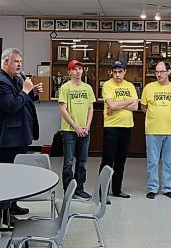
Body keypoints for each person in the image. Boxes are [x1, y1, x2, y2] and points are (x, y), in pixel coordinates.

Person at [0, 48, 43, 215]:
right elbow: (12, 106)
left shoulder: (14, 79)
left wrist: (32, 93)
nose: (19, 64)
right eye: (16, 61)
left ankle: (12, 205)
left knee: (15, 175)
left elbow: (23, 100)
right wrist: (26, 91)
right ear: (6, 62)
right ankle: (3, 213)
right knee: (6, 177)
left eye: (20, 61)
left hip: (19, 135)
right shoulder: (0, 82)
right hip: (8, 138)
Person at [141, 61, 171, 199]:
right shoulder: (148, 88)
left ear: (169, 72)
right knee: (152, 161)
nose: (158, 74)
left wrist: (170, 119)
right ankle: (152, 188)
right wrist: (155, 117)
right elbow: (144, 107)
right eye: (157, 72)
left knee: (169, 161)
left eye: (161, 72)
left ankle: (166, 188)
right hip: (153, 130)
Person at [99, 61, 138, 200]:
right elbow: (112, 105)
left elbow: (135, 107)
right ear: (112, 72)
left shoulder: (130, 86)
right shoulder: (108, 85)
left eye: (120, 71)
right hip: (111, 127)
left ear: (125, 72)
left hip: (126, 127)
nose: (117, 74)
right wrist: (127, 101)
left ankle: (117, 190)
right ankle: (102, 193)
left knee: (120, 161)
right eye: (115, 72)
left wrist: (117, 105)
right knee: (108, 161)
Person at [59, 60, 96, 200]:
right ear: (69, 72)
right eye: (74, 69)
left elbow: (91, 108)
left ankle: (79, 189)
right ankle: (68, 191)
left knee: (82, 162)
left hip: (85, 131)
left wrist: (87, 126)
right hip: (69, 131)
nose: (78, 71)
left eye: (80, 68)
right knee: (68, 162)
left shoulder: (88, 88)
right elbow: (63, 109)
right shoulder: (65, 88)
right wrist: (75, 126)